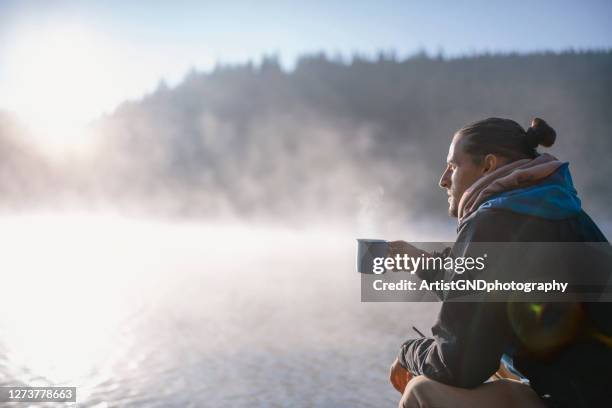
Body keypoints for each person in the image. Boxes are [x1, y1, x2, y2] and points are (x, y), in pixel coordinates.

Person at [388, 117, 612, 407]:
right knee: (497, 363)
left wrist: (407, 353)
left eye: (453, 166)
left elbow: (460, 366)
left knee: (422, 392)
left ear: (488, 166)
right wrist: (423, 264)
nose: (443, 180)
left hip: (576, 399)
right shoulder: (562, 211)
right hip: (587, 390)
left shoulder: (493, 221)